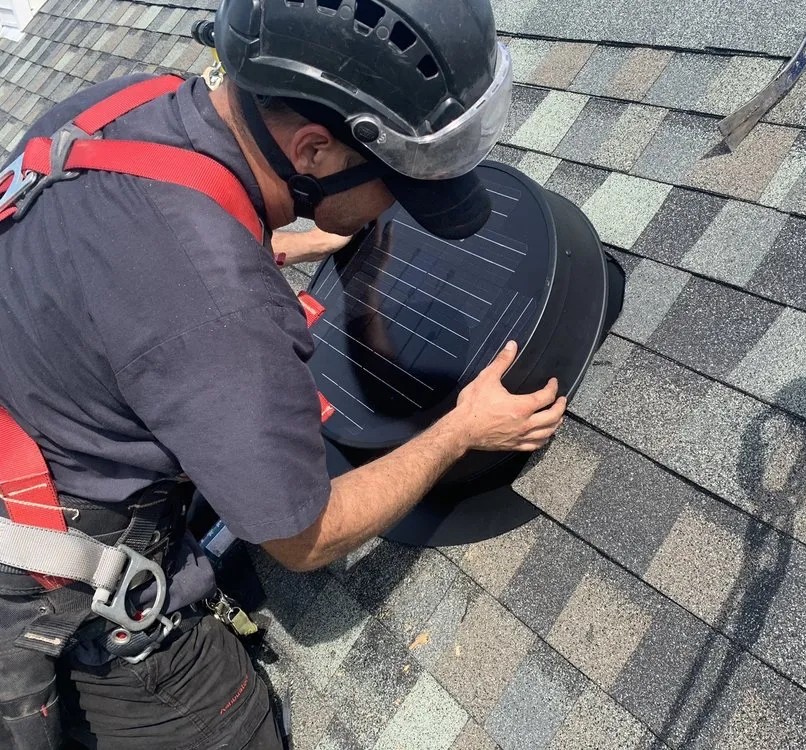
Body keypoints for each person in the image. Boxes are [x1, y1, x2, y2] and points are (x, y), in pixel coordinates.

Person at [0, 0, 564, 747]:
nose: (394, 207)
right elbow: (305, 539)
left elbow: (117, 274)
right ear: (315, 151)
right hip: (62, 589)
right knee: (236, 726)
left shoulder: (113, 108)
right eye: (398, 182)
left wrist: (278, 247)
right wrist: (461, 429)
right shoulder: (220, 316)